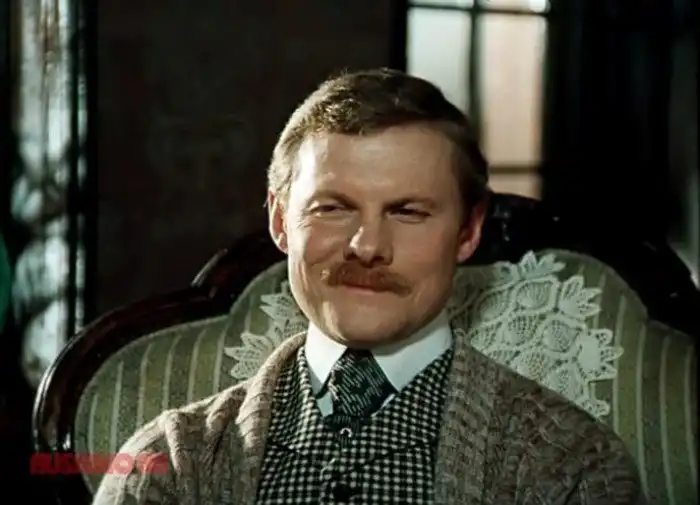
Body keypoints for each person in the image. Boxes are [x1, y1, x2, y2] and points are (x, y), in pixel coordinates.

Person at [93, 68, 644, 504]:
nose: (367, 246)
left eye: (408, 212)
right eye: (333, 208)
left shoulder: (572, 466)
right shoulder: (169, 465)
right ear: (281, 221)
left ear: (468, 232)